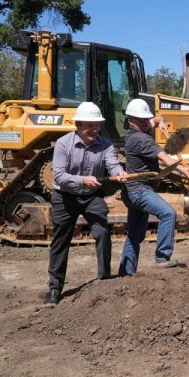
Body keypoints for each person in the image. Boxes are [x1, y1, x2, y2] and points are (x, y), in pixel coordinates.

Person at [44, 102, 127, 305]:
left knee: (102, 232)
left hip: (91, 197)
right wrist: (83, 179)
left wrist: (119, 173)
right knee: (61, 240)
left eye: (97, 125)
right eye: (89, 126)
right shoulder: (63, 144)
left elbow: (112, 164)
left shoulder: (105, 144)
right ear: (78, 125)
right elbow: (60, 176)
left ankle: (105, 277)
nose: (94, 130)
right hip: (65, 197)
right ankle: (55, 288)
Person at [119, 98, 189, 276]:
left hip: (133, 191)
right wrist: (184, 170)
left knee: (135, 236)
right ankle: (162, 257)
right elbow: (165, 158)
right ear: (132, 121)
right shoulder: (140, 139)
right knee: (168, 213)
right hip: (139, 191)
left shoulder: (138, 128)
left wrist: (161, 123)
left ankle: (125, 274)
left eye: (147, 119)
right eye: (143, 120)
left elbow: (155, 120)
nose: (147, 123)